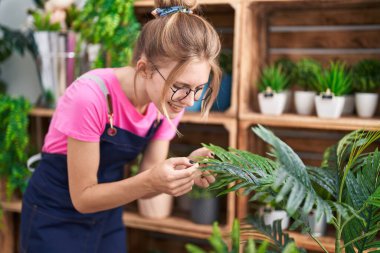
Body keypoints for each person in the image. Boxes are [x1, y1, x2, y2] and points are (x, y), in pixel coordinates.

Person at [20, 0, 222, 252]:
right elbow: (83, 198)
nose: (190, 101)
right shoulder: (90, 97)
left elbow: (149, 187)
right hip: (54, 216)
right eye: (180, 87)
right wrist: (150, 181)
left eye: (199, 89)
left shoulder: (167, 105)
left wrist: (188, 168)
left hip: (107, 216)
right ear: (144, 69)